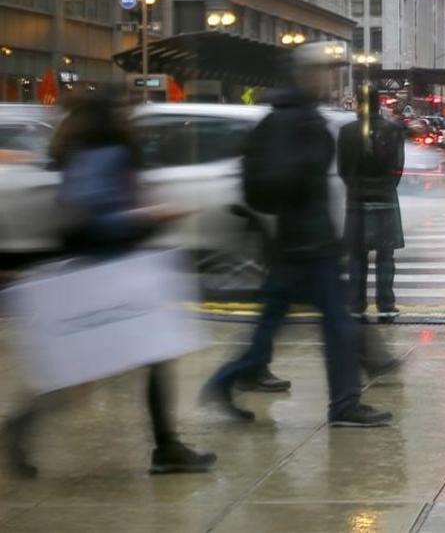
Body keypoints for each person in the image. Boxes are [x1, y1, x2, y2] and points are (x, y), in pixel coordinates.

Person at [4, 90, 215, 478]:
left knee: (91, 364)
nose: (132, 116)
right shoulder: (109, 152)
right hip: (112, 272)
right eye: (126, 109)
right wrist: (148, 215)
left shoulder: (80, 150)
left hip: (97, 270)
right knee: (137, 358)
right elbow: (94, 217)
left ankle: (25, 422)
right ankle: (166, 448)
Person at [200, 42, 392, 428]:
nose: (329, 79)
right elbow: (286, 179)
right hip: (306, 243)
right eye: (323, 72)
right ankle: (344, 405)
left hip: (300, 241)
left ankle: (225, 381)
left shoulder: (296, 115)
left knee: (273, 326)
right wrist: (307, 176)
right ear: (304, 75)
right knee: (337, 324)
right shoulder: (293, 120)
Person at [338, 85, 406, 322]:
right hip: (385, 198)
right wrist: (387, 186)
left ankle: (356, 305)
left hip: (357, 199)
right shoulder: (393, 130)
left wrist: (355, 186)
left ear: (358, 102)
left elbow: (343, 168)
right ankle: (386, 305)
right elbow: (398, 167)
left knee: (357, 256)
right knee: (385, 256)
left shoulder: (347, 131)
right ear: (379, 103)